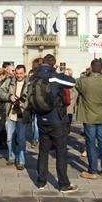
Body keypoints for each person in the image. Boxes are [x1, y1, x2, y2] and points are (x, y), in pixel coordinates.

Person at [31, 54, 78, 193]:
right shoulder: (54, 75)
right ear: (53, 64)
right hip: (56, 119)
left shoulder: (33, 77)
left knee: (43, 151)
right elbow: (72, 82)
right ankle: (63, 184)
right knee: (61, 152)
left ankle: (41, 182)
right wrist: (57, 72)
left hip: (40, 118)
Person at [76, 59, 102, 180]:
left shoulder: (84, 81)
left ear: (91, 68)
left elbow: (77, 85)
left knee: (90, 142)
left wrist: (86, 75)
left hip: (89, 115)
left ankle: (93, 171)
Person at [0, 64, 29, 170]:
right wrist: (9, 96)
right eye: (17, 73)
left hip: (23, 115)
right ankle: (11, 156)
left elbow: (31, 99)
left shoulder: (29, 84)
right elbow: (0, 92)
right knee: (9, 138)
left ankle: (21, 161)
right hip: (10, 114)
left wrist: (22, 103)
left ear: (25, 73)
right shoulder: (10, 81)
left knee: (21, 139)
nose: (19, 75)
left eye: (21, 73)